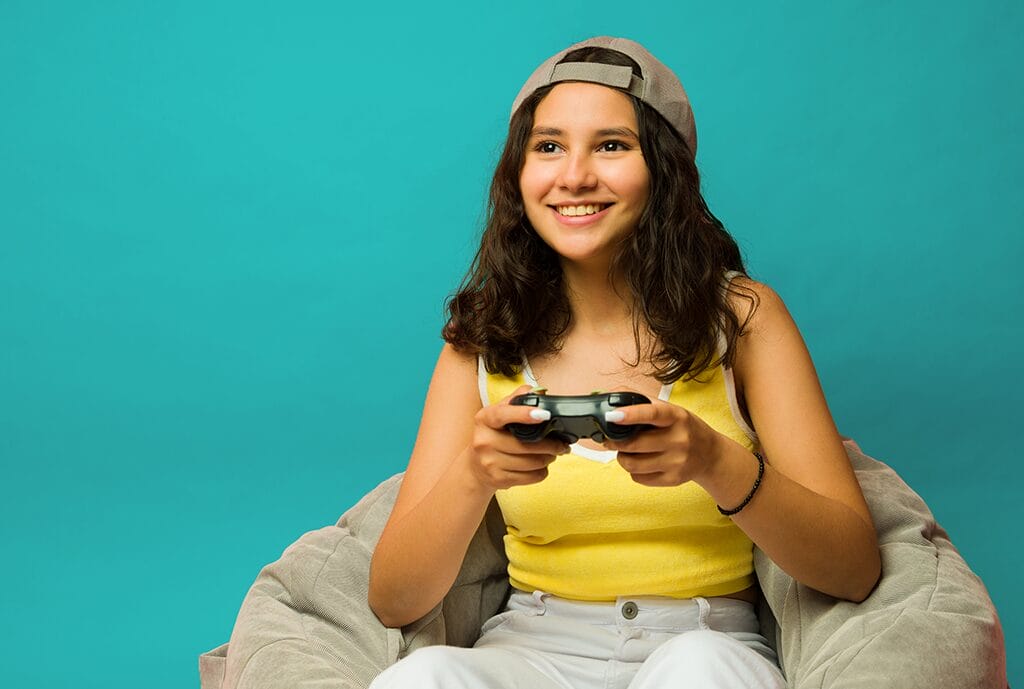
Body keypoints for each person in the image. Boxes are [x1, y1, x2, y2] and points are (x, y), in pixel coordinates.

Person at [367, 36, 881, 689]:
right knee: (423, 675)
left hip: (701, 642)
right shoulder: (483, 336)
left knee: (700, 671)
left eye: (611, 145)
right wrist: (475, 473)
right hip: (531, 651)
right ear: (517, 175)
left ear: (663, 171)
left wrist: (712, 461)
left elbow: (854, 567)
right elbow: (393, 601)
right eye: (548, 146)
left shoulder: (744, 318)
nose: (574, 175)